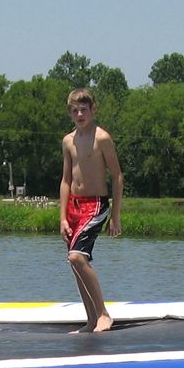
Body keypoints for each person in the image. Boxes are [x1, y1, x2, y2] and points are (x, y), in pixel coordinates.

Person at [59, 88, 124, 332]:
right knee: (74, 262)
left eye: (83, 110)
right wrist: (62, 216)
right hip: (74, 207)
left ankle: (103, 314)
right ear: (70, 113)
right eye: (75, 110)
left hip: (95, 204)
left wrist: (115, 216)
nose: (79, 114)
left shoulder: (102, 138)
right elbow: (65, 180)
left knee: (77, 256)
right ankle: (91, 319)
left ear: (93, 110)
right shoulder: (68, 141)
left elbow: (117, 177)